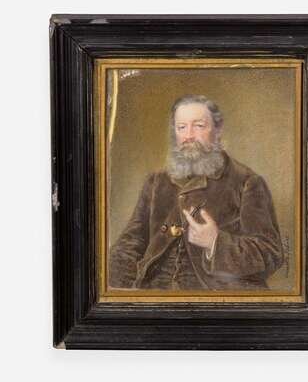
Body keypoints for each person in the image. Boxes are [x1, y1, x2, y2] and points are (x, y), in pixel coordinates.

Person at [109, 94, 284, 290]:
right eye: (181, 127)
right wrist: (121, 294)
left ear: (218, 130)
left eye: (199, 126)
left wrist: (215, 243)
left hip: (214, 296)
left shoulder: (248, 182)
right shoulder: (156, 181)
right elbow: (129, 245)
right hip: (152, 294)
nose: (189, 136)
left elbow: (271, 254)